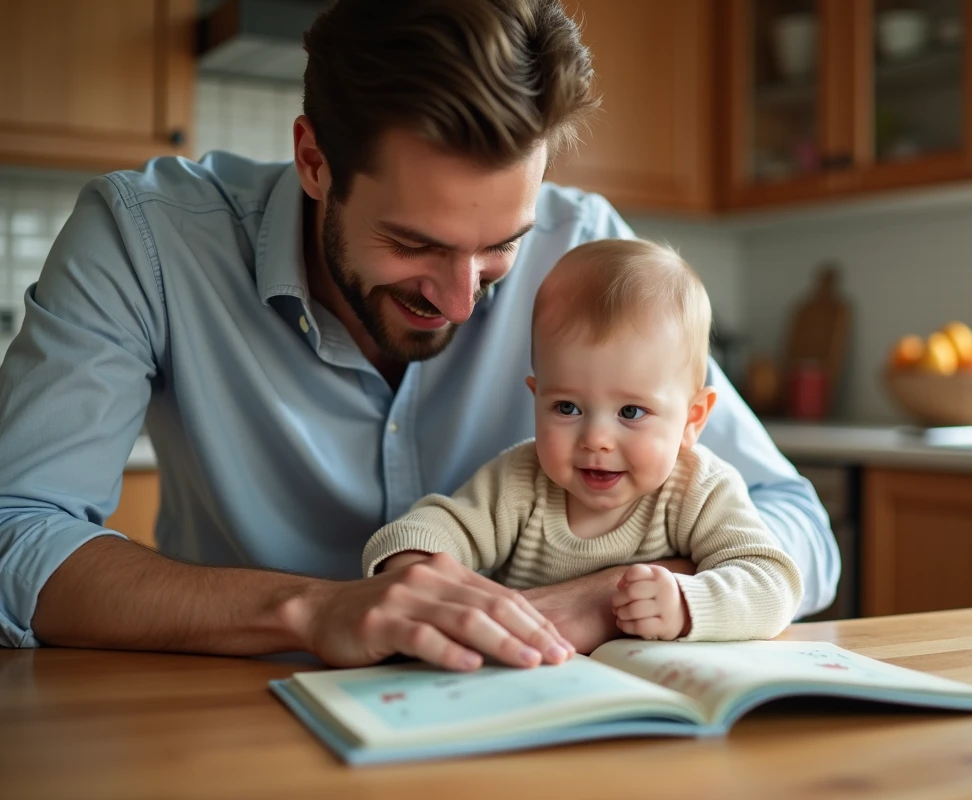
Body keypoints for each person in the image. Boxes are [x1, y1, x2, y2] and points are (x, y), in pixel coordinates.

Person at [0, 0, 839, 669]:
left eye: (503, 244)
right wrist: (314, 608)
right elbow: (17, 532)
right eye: (414, 244)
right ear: (314, 161)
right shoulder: (145, 239)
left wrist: (608, 598)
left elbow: (794, 523)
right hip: (227, 709)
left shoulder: (587, 254)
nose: (463, 300)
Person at [363, 240, 804, 646]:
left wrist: (687, 604)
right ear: (537, 398)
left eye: (631, 412)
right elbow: (428, 528)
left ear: (692, 420)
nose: (596, 440)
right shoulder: (520, 482)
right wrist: (410, 565)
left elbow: (773, 582)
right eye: (567, 408)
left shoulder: (699, 490)